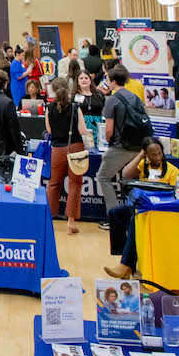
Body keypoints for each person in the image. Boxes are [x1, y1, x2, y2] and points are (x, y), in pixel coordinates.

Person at [104, 136, 179, 279]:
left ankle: (125, 265)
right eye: (153, 154)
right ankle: (126, 260)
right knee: (115, 213)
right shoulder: (143, 165)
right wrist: (141, 155)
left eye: (160, 153)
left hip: (161, 212)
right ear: (146, 155)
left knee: (135, 220)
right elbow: (126, 174)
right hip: (142, 207)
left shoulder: (172, 171)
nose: (158, 157)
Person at [95, 67, 145, 224]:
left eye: (108, 80)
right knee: (132, 179)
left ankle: (114, 217)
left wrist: (109, 141)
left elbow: (108, 129)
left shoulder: (112, 99)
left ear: (113, 82)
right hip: (139, 147)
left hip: (121, 146)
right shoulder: (135, 98)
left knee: (103, 176)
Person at [45, 77, 89, 234]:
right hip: (75, 147)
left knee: (54, 183)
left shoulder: (49, 107)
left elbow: (49, 131)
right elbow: (83, 130)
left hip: (57, 149)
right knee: (75, 184)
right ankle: (71, 221)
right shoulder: (76, 107)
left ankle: (48, 218)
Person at [75, 69, 105, 134]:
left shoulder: (99, 94)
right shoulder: (74, 96)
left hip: (98, 128)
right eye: (81, 78)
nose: (84, 80)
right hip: (80, 128)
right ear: (77, 81)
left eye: (86, 78)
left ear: (90, 80)